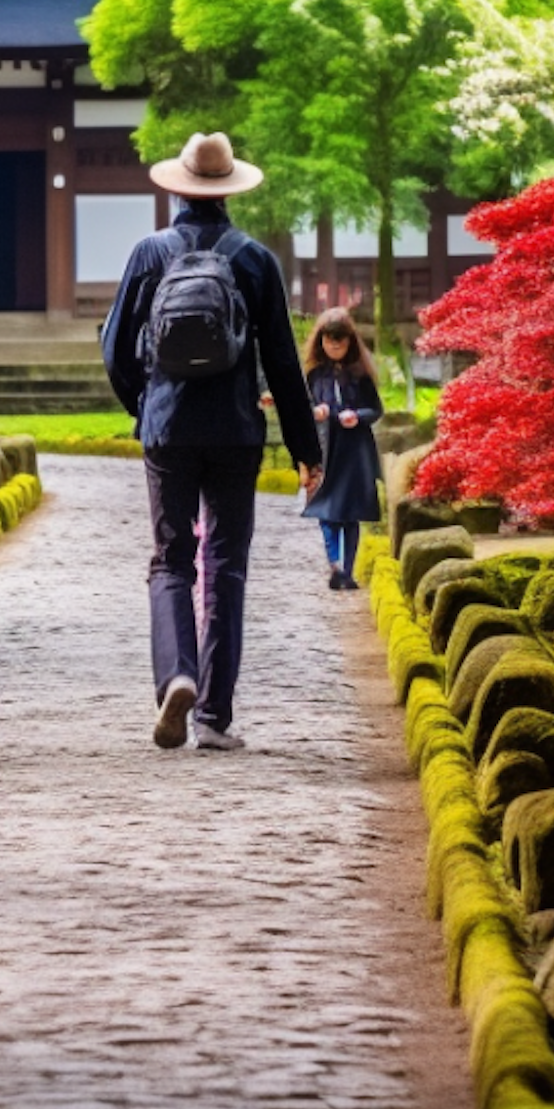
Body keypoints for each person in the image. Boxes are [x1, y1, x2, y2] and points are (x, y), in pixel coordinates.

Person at [102, 130, 323, 755]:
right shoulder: (254, 259)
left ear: (178, 188)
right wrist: (309, 451)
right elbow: (282, 362)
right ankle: (214, 719)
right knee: (225, 564)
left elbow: (115, 349)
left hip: (167, 429)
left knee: (171, 560)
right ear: (229, 191)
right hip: (235, 431)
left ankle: (177, 676)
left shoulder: (150, 253)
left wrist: (144, 409)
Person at [303, 306, 383, 590]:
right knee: (324, 511)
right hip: (325, 448)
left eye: (340, 340)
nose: (335, 346)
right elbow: (303, 409)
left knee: (350, 514)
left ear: (349, 342)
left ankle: (347, 571)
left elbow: (375, 409)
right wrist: (316, 412)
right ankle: (334, 563)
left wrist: (356, 416)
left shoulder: (360, 374)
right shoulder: (314, 376)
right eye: (329, 340)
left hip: (353, 451)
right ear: (321, 341)